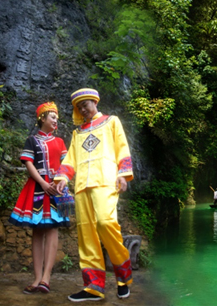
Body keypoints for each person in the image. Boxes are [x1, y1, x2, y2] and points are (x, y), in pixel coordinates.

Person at [54, 89, 134, 302]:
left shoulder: (111, 122)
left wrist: (123, 175)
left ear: (95, 102)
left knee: (105, 223)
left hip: (106, 181)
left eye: (85, 104)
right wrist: (63, 177)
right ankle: (93, 286)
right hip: (82, 187)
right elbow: (70, 159)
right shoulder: (77, 133)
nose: (82, 109)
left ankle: (123, 278)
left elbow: (122, 148)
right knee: (86, 235)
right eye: (79, 107)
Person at [9, 102, 71, 294]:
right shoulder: (31, 141)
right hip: (37, 187)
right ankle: (37, 278)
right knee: (37, 230)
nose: (55, 121)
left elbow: (66, 165)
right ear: (42, 118)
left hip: (57, 188)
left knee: (53, 228)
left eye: (57, 118)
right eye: (52, 117)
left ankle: (46, 278)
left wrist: (61, 182)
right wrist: (43, 183)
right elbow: (28, 163)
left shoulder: (60, 142)